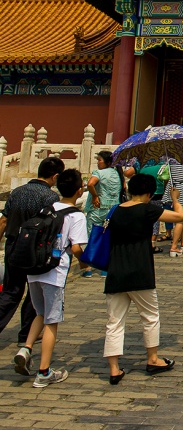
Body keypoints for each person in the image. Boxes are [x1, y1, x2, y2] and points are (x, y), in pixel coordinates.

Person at [104, 174, 183, 384]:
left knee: (114, 322)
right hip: (140, 270)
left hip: (116, 270)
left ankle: (114, 369)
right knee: (150, 317)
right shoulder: (147, 209)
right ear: (149, 194)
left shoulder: (116, 210)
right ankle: (153, 359)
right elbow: (179, 218)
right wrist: (175, 199)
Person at [13, 169, 87, 387]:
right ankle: (44, 372)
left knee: (40, 312)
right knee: (52, 321)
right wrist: (85, 263)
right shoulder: (76, 215)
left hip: (33, 269)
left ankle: (26, 349)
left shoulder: (47, 207)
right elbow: (76, 247)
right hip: (54, 272)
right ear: (79, 190)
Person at [0, 156, 64, 345]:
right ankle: (26, 335)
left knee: (11, 292)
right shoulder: (50, 197)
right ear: (55, 176)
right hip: (36, 250)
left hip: (13, 245)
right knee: (34, 292)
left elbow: (4, 220)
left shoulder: (17, 192)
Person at [82, 150, 125, 276]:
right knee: (108, 237)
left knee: (91, 236)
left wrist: (95, 196)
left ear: (107, 162)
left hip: (97, 208)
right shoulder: (118, 174)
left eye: (99, 160)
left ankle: (88, 268)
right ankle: (105, 268)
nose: (98, 163)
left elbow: (90, 184)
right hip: (112, 209)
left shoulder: (99, 173)